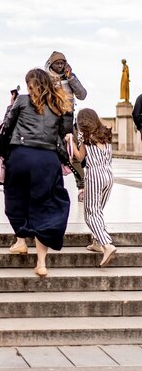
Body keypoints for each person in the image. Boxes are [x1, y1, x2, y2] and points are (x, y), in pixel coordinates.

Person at [3, 68, 71, 277]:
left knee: (17, 198)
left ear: (30, 84)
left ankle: (21, 240)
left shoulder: (22, 101)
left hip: (21, 155)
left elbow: (7, 125)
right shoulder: (59, 104)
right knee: (46, 205)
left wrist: (11, 104)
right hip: (47, 159)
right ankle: (41, 263)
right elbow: (64, 133)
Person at [71, 108, 117, 267]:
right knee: (98, 210)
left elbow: (79, 157)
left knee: (90, 213)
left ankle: (107, 244)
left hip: (95, 175)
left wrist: (70, 141)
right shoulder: (105, 133)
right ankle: (97, 242)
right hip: (109, 175)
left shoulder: (86, 137)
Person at [45, 51, 87, 201]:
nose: (60, 66)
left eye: (63, 63)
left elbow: (82, 95)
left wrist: (71, 79)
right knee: (51, 154)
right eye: (58, 63)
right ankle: (50, 187)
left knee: (75, 154)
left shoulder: (70, 77)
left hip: (69, 120)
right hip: (51, 121)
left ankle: (81, 187)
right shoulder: (45, 78)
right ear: (51, 64)